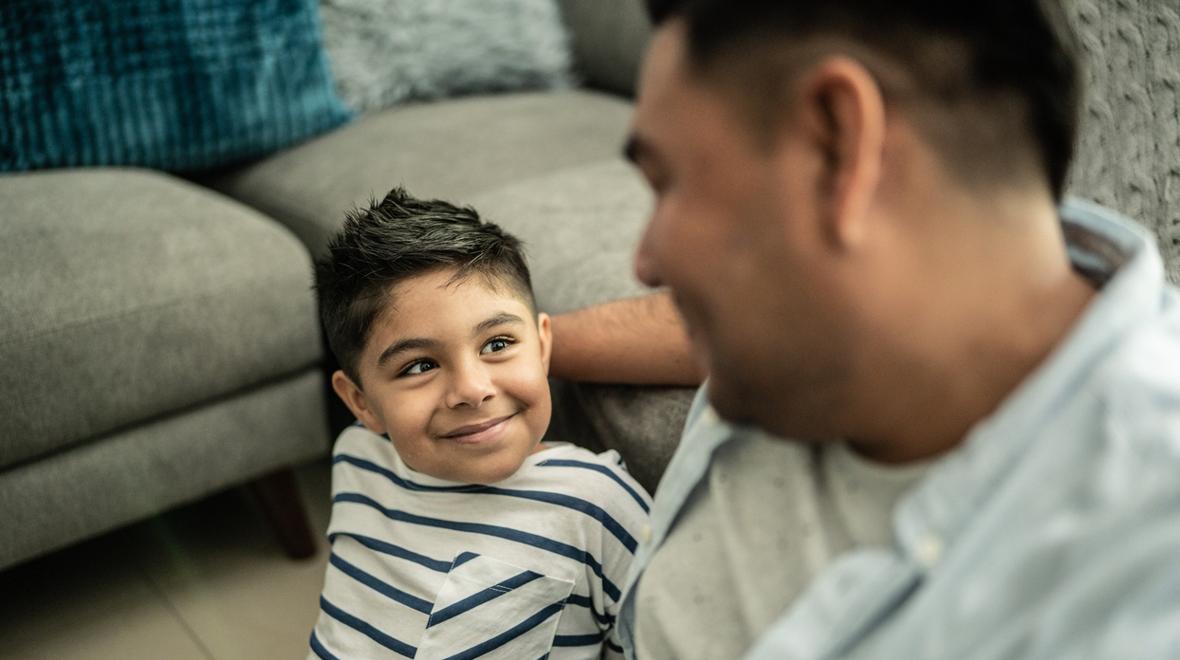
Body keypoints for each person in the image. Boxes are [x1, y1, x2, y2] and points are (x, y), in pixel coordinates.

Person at [548, 1, 1180, 658]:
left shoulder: (1143, 572)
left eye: (668, 181)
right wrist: (500, 347)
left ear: (839, 144)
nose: (646, 262)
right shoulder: (810, 331)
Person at [307, 187, 651, 659]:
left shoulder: (595, 502)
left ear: (542, 346)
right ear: (362, 402)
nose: (472, 389)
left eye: (497, 343)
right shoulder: (357, 459)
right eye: (419, 366)